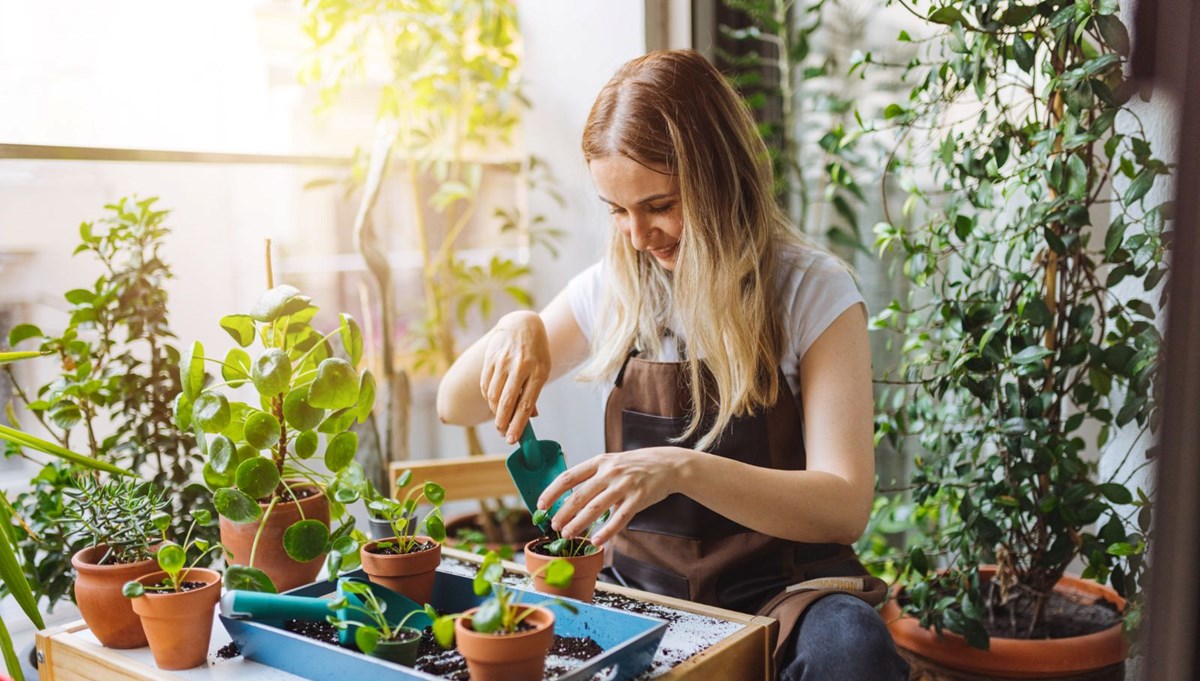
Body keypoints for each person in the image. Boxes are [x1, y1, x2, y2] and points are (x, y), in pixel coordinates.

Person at [437, 49, 909, 680]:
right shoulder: (616, 287)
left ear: (721, 178)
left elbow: (844, 505)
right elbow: (455, 403)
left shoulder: (812, 292)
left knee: (852, 652)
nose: (638, 235)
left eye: (659, 205)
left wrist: (682, 469)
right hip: (641, 593)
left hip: (786, 593)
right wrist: (515, 327)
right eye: (617, 210)